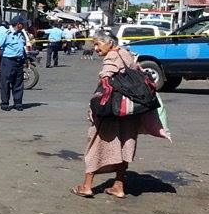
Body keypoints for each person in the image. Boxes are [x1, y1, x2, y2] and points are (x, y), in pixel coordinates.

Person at [71, 33, 168, 198]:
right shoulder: (127, 54)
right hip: (130, 111)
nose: (95, 48)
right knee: (125, 145)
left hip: (112, 112)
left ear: (109, 43)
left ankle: (87, 186)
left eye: (98, 44)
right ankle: (119, 186)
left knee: (96, 144)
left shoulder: (112, 57)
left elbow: (105, 81)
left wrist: (92, 107)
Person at [0, 15, 28, 111]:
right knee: (6, 83)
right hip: (8, 61)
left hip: (19, 61)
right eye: (23, 24)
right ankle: (5, 103)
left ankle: (18, 103)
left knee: (18, 83)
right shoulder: (6, 34)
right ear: (18, 24)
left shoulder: (21, 34)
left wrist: (25, 59)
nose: (24, 26)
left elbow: (22, 48)